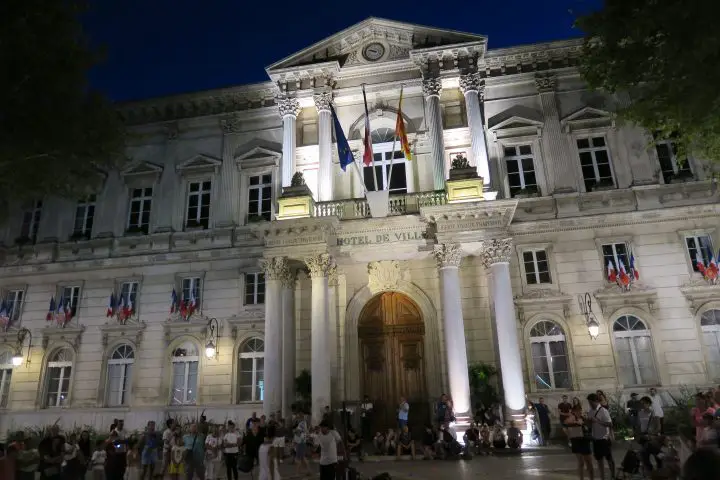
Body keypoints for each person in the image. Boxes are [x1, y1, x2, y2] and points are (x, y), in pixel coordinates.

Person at [587, 393, 615, 480]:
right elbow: (590, 425)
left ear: (596, 401)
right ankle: (602, 477)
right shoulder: (590, 411)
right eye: (589, 403)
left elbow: (610, 424)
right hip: (595, 438)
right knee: (599, 459)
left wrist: (597, 421)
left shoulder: (603, 410)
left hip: (604, 438)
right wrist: (588, 422)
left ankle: (613, 475)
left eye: (591, 402)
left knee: (608, 458)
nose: (590, 404)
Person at [565, 405, 593, 480]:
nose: (579, 412)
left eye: (580, 410)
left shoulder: (582, 417)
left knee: (588, 462)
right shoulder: (573, 417)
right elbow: (567, 422)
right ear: (573, 411)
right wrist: (576, 422)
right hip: (577, 441)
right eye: (577, 411)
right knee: (581, 462)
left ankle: (590, 478)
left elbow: (588, 425)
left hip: (584, 441)